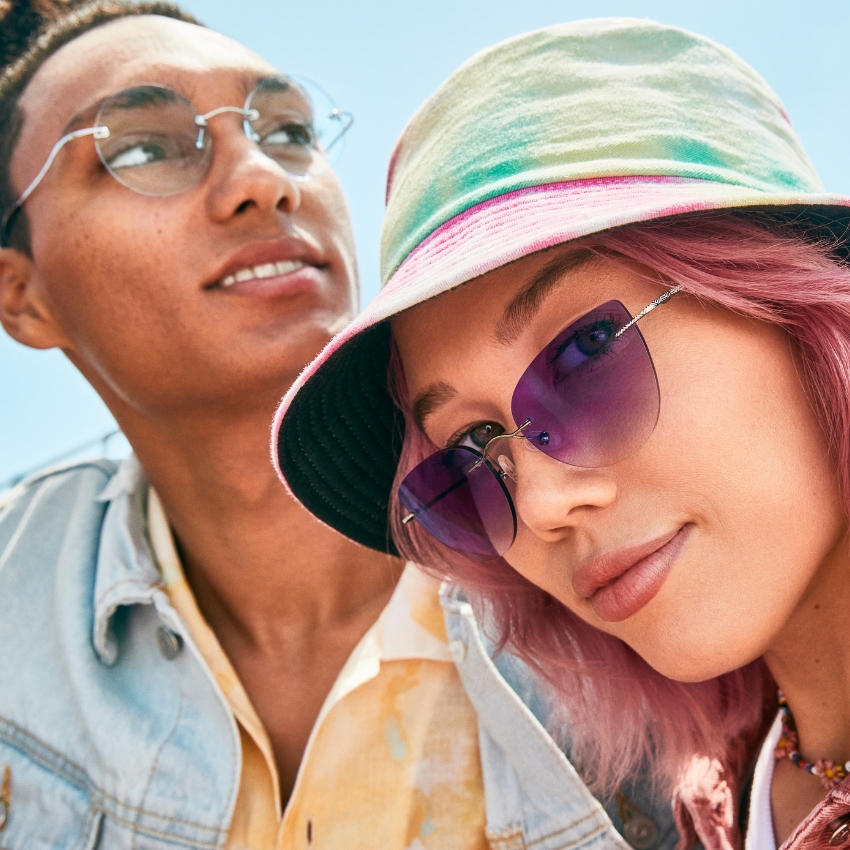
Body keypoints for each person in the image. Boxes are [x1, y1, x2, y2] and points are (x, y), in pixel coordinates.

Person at [0, 3, 676, 848]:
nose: (262, 178)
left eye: (285, 130)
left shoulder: (615, 551)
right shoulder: (17, 595)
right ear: (20, 295)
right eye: (143, 148)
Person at [272, 17, 850, 850]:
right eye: (471, 453)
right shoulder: (719, 800)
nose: (539, 504)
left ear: (794, 306)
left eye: (586, 354)